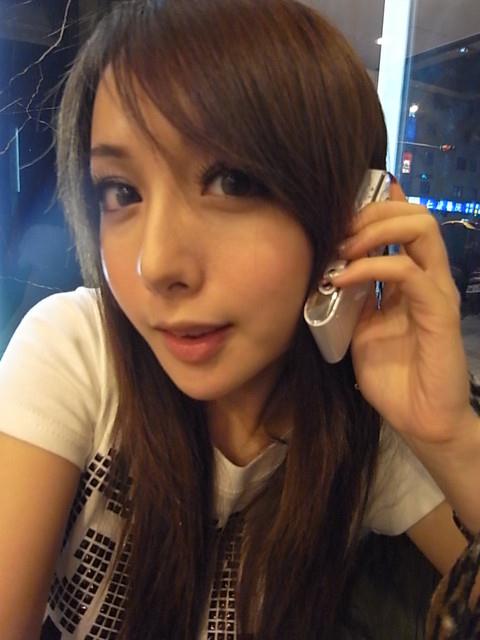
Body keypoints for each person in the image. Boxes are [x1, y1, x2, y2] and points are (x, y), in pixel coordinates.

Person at [0, 1, 479, 638]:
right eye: (122, 191)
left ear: (352, 217)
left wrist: (450, 437)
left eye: (231, 182)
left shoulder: (364, 429)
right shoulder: (77, 353)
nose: (155, 264)